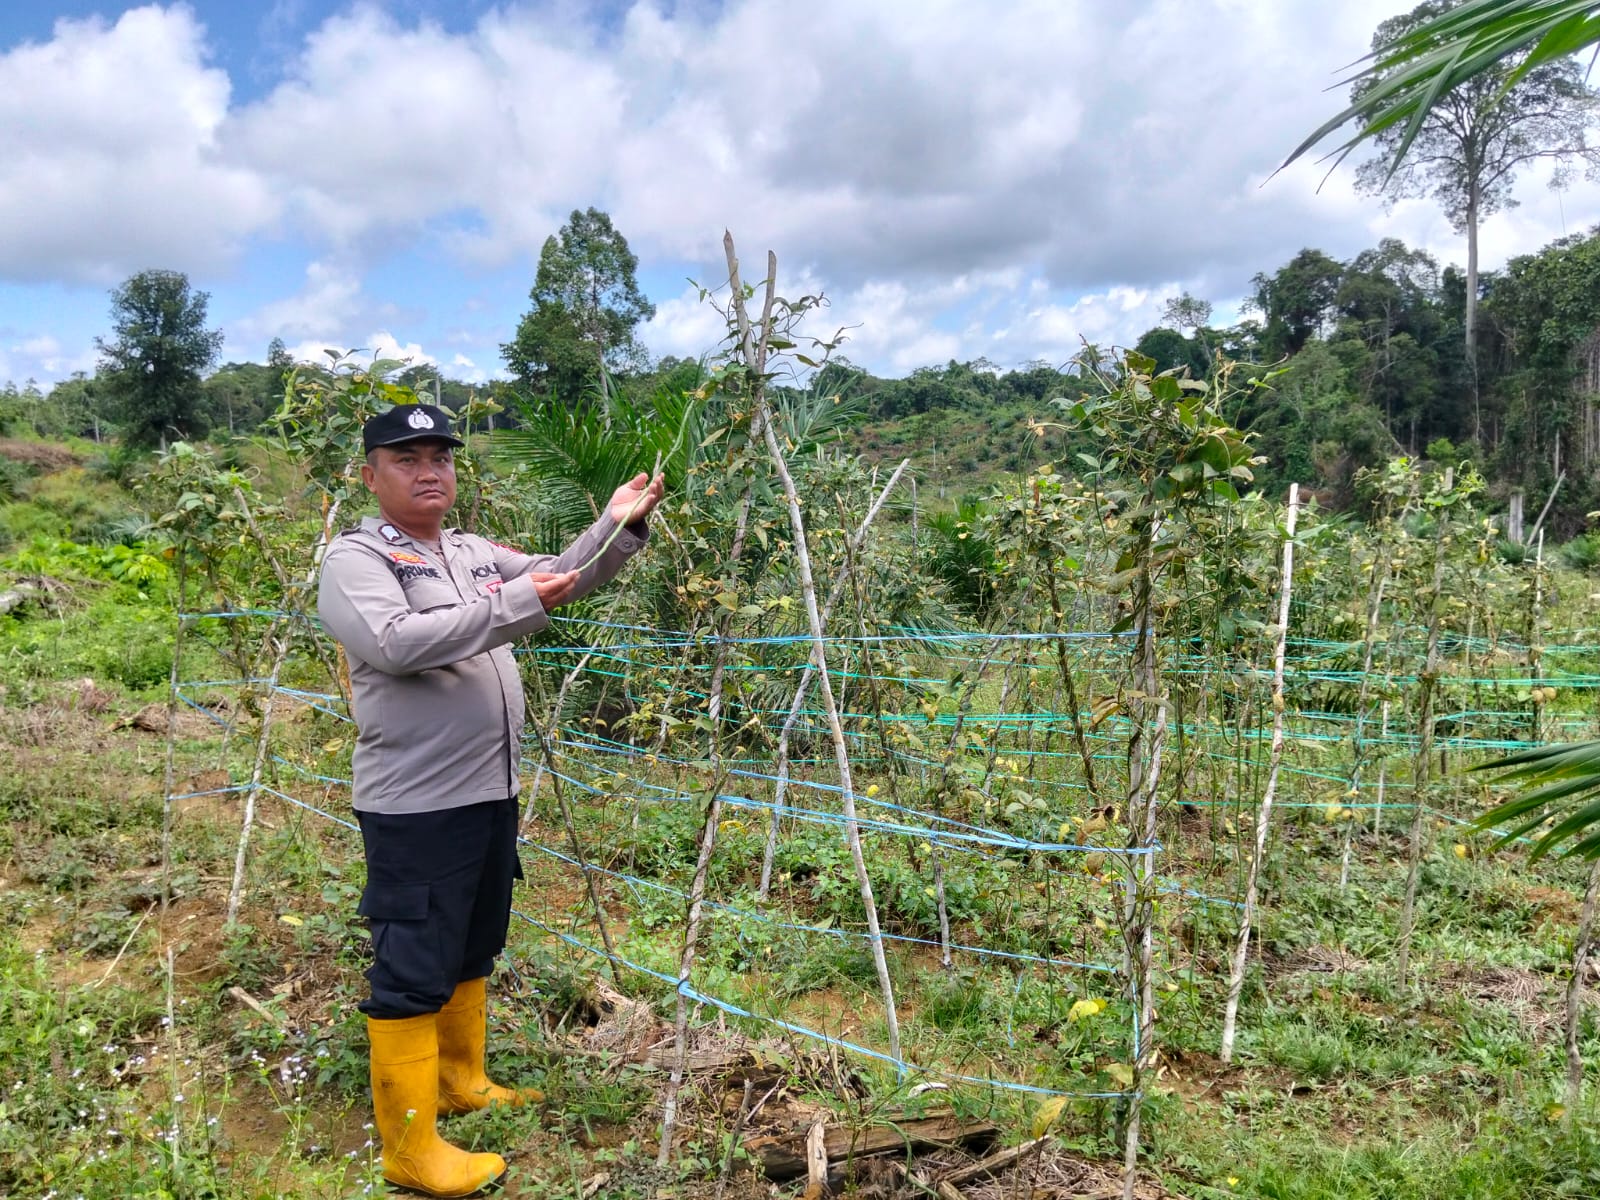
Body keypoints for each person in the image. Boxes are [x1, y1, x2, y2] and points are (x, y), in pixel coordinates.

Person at [316, 402, 663, 1197]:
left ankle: (460, 1081)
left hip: (488, 791)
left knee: (473, 944)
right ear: (370, 475)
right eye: (406, 459)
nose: (428, 471)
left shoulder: (473, 553)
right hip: (417, 805)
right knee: (413, 963)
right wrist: (516, 603)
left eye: (440, 456)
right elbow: (395, 644)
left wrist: (615, 524)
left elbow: (561, 575)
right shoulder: (356, 561)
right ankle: (409, 1149)